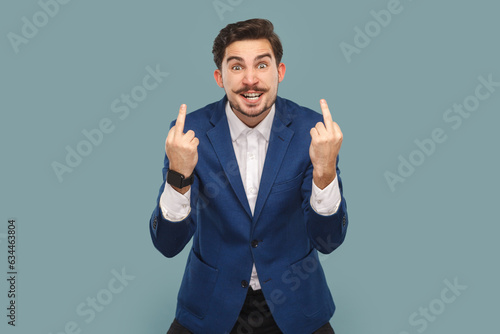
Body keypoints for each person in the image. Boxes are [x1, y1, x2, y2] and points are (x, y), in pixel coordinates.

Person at [149, 18, 348, 334]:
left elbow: (329, 240)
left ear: (279, 72)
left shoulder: (313, 132)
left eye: (262, 65)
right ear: (220, 77)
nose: (251, 80)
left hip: (296, 304)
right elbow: (168, 244)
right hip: (209, 305)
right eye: (237, 67)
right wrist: (179, 175)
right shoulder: (189, 133)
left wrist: (324, 172)